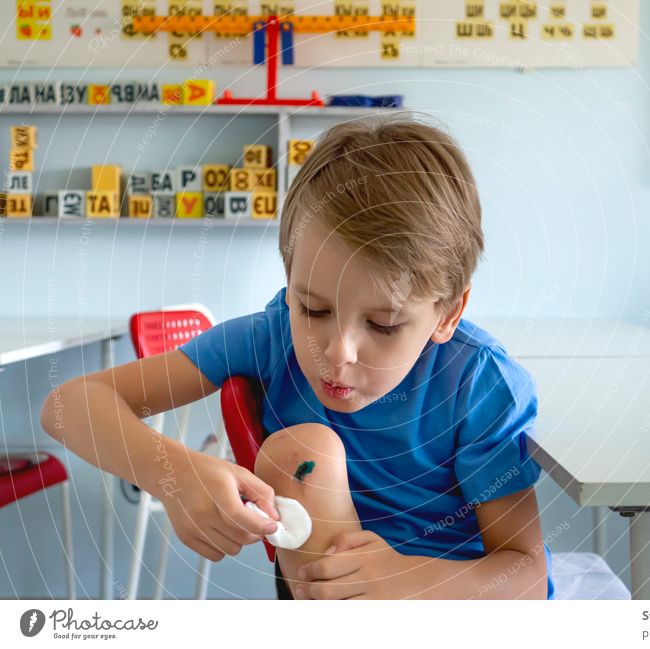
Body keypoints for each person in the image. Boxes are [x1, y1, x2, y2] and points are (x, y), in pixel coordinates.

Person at [41, 114, 554, 600]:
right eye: (312, 308)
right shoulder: (268, 338)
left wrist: (411, 582)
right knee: (303, 452)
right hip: (326, 603)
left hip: (458, 611)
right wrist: (171, 472)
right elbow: (66, 406)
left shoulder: (478, 383)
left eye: (384, 324)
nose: (337, 351)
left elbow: (526, 575)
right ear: (289, 281)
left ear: (448, 313)